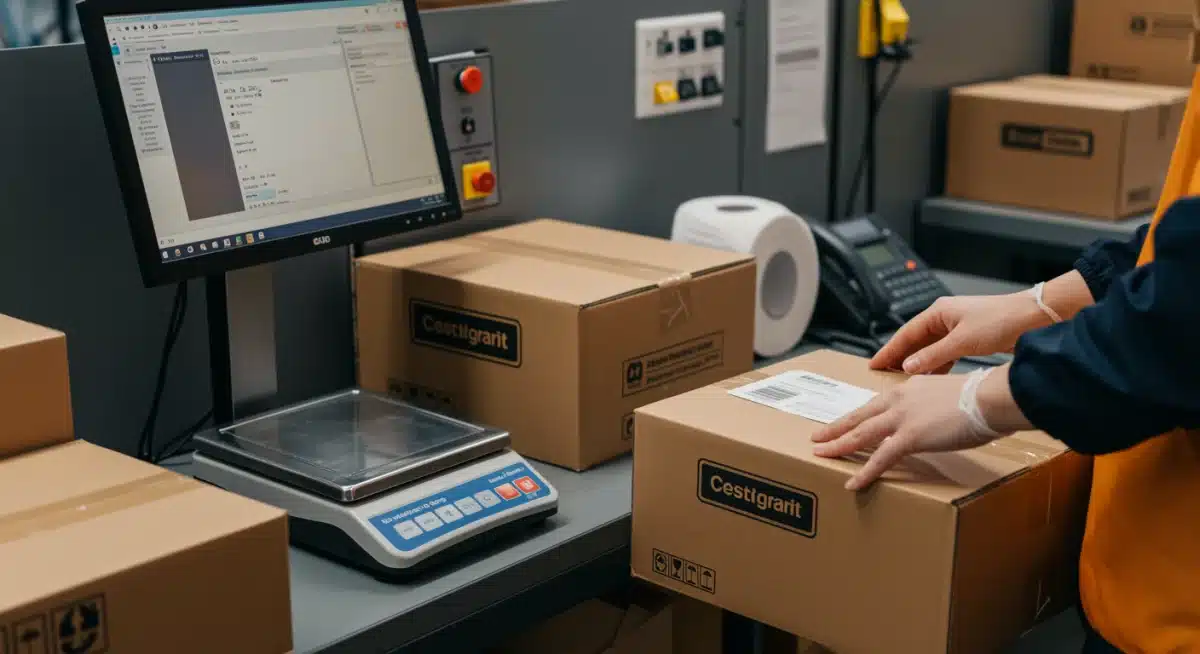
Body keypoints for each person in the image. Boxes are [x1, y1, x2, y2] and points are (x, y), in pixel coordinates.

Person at [810, 73, 1200, 653]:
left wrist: (986, 399)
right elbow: (1177, 237)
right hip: (1145, 581)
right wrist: (1038, 303)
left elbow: (1180, 321)